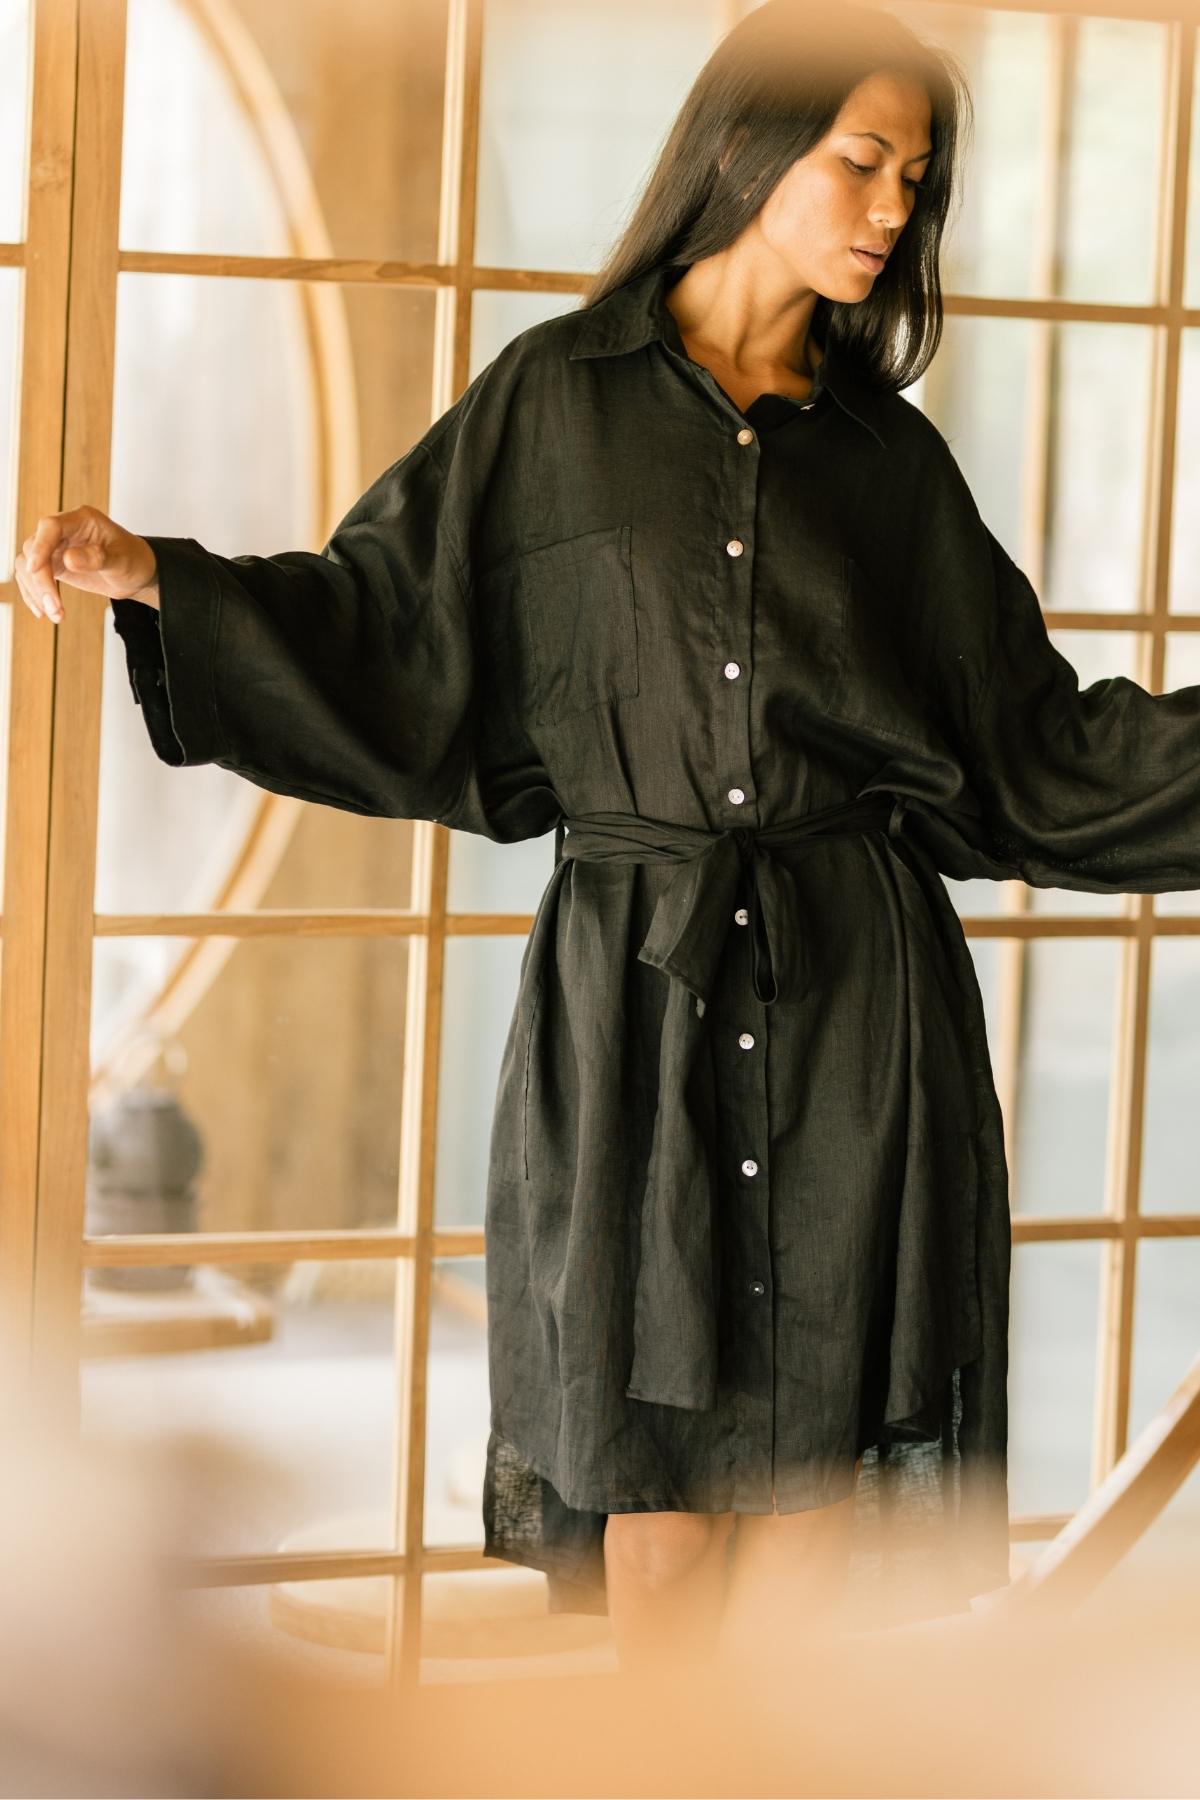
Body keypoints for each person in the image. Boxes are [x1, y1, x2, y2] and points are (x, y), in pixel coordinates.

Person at [17, 0, 1200, 1675]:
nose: (889, 209)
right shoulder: (551, 407)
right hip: (630, 1022)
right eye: (860, 161)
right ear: (745, 146)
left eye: (912, 181)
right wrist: (163, 581)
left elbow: (1034, 748)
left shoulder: (890, 468)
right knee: (654, 1538)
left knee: (800, 1539)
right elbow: (387, 633)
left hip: (855, 1022)